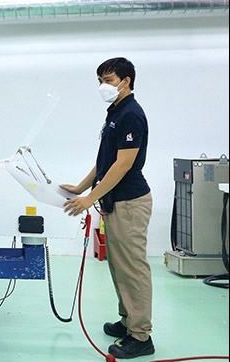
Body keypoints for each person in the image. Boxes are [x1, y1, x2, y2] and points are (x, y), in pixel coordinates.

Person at [61, 57, 154, 360]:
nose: (104, 86)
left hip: (130, 202)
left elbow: (123, 165)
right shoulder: (115, 112)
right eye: (101, 81)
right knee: (119, 266)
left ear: (126, 81)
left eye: (109, 80)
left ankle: (141, 336)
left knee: (132, 269)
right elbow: (105, 161)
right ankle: (128, 321)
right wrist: (81, 187)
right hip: (116, 202)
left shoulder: (131, 114)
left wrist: (89, 199)